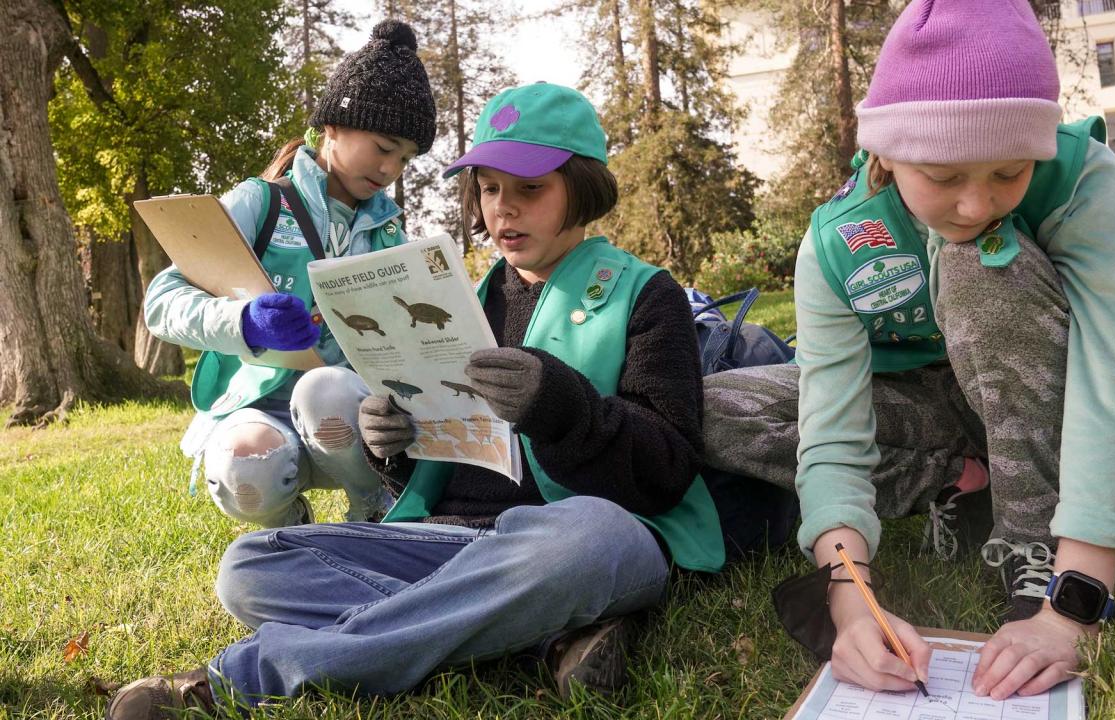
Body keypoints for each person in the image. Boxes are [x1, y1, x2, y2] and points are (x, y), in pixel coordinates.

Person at [106, 82, 724, 718]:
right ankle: (540, 636)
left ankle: (239, 675)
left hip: (576, 534)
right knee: (251, 567)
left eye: (529, 189)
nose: (502, 211)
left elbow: (669, 469)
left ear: (583, 187)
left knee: (594, 543)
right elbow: (448, 461)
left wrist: (565, 407)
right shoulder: (469, 299)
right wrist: (392, 448)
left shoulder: (645, 295)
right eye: (488, 189)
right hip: (455, 545)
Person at [703, 0, 1115, 701]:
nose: (976, 204)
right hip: (931, 404)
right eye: (944, 176)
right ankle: (969, 479)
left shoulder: (1081, 177)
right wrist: (848, 594)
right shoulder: (836, 242)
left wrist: (1075, 599)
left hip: (1055, 391)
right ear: (884, 152)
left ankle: (1033, 542)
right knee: (714, 406)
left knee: (974, 260)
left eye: (1010, 172)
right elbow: (831, 425)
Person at [143, 21, 435, 528]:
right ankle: (292, 530)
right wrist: (244, 322)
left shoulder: (392, 233)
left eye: (405, 159)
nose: (391, 169)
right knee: (244, 466)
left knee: (323, 388)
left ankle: (372, 512)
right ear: (333, 126)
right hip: (257, 410)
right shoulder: (261, 202)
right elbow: (161, 304)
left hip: (349, 419)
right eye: (384, 147)